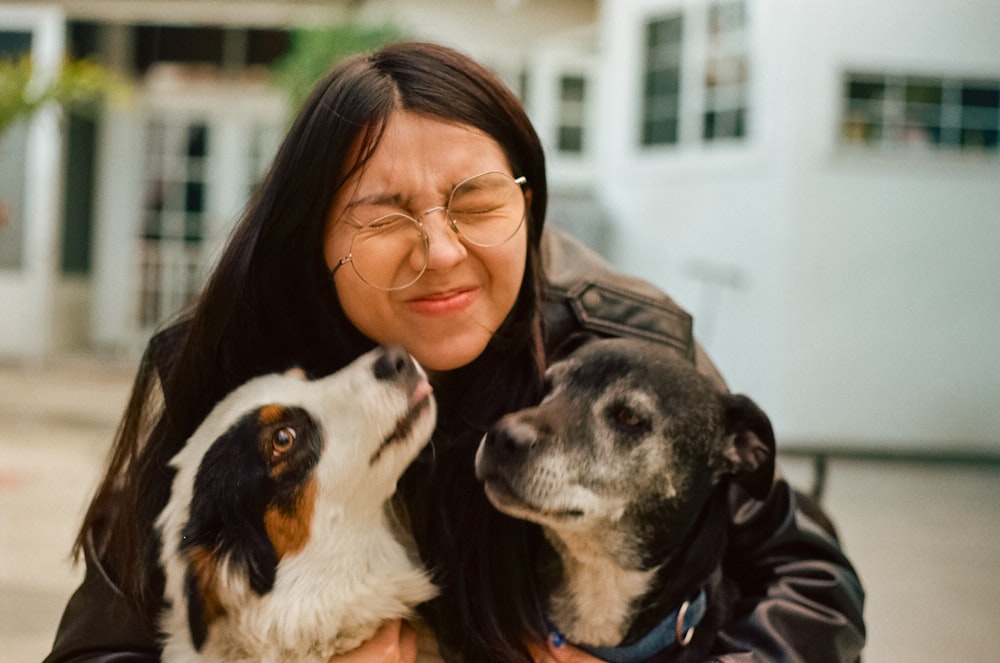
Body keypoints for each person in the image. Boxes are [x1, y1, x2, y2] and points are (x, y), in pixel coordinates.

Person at [44, 41, 864, 663]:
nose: (439, 251)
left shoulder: (621, 339)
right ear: (312, 235)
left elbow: (809, 577)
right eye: (383, 213)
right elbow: (100, 644)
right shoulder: (238, 375)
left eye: (474, 201)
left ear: (527, 203)